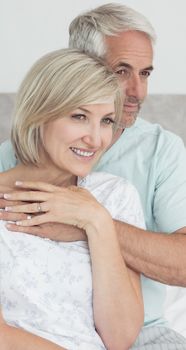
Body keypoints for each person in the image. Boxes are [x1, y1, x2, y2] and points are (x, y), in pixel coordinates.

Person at [1, 2, 186, 348]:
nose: (137, 92)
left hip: (136, 333)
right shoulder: (8, 162)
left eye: (145, 73)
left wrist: (94, 224)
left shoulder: (128, 181)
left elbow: (122, 334)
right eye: (121, 71)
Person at [0, 47, 146, 349]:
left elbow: (120, 338)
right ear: (39, 114)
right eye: (79, 116)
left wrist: (96, 221)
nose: (95, 139)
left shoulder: (115, 196)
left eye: (106, 121)